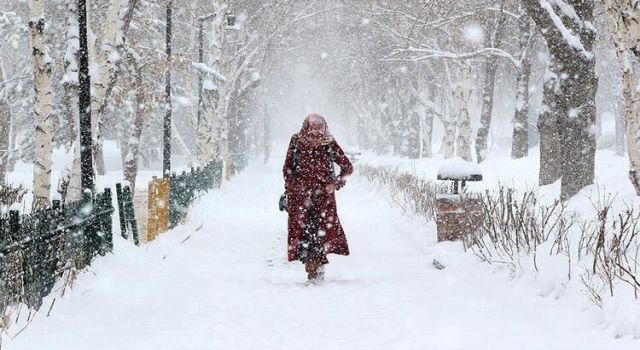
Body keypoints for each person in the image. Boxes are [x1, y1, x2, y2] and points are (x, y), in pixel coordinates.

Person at [282, 113, 353, 285]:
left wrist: (335, 184)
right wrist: (292, 188)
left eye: (319, 135)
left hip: (323, 201)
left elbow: (347, 168)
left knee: (318, 235)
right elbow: (287, 168)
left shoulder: (329, 144)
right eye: (313, 135)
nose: (316, 139)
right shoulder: (296, 142)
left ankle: (314, 272)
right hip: (300, 200)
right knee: (304, 236)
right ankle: (313, 268)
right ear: (306, 130)